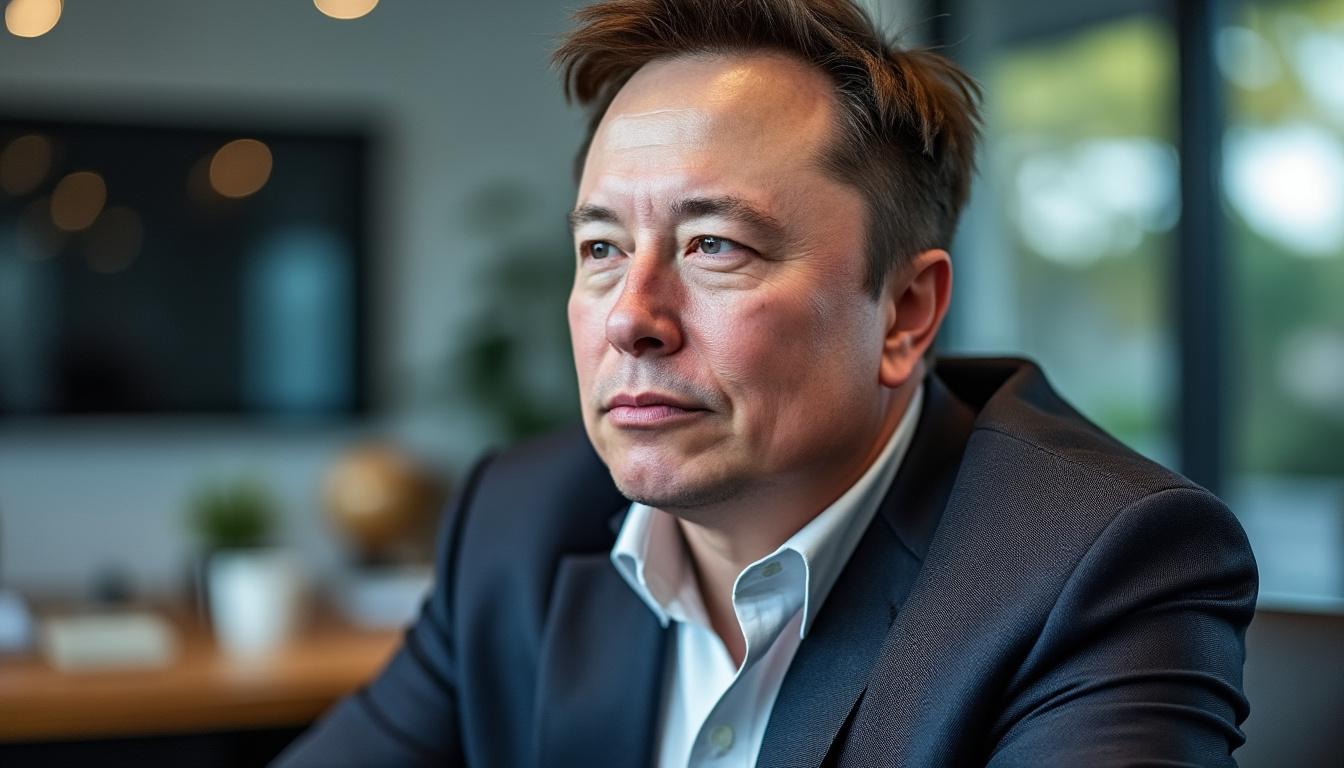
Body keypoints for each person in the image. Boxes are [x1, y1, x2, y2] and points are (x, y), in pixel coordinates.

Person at [274, 1, 1257, 765]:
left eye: (715, 245)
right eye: (602, 248)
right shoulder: (518, 522)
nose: (629, 317)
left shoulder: (1094, 565)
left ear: (904, 313)